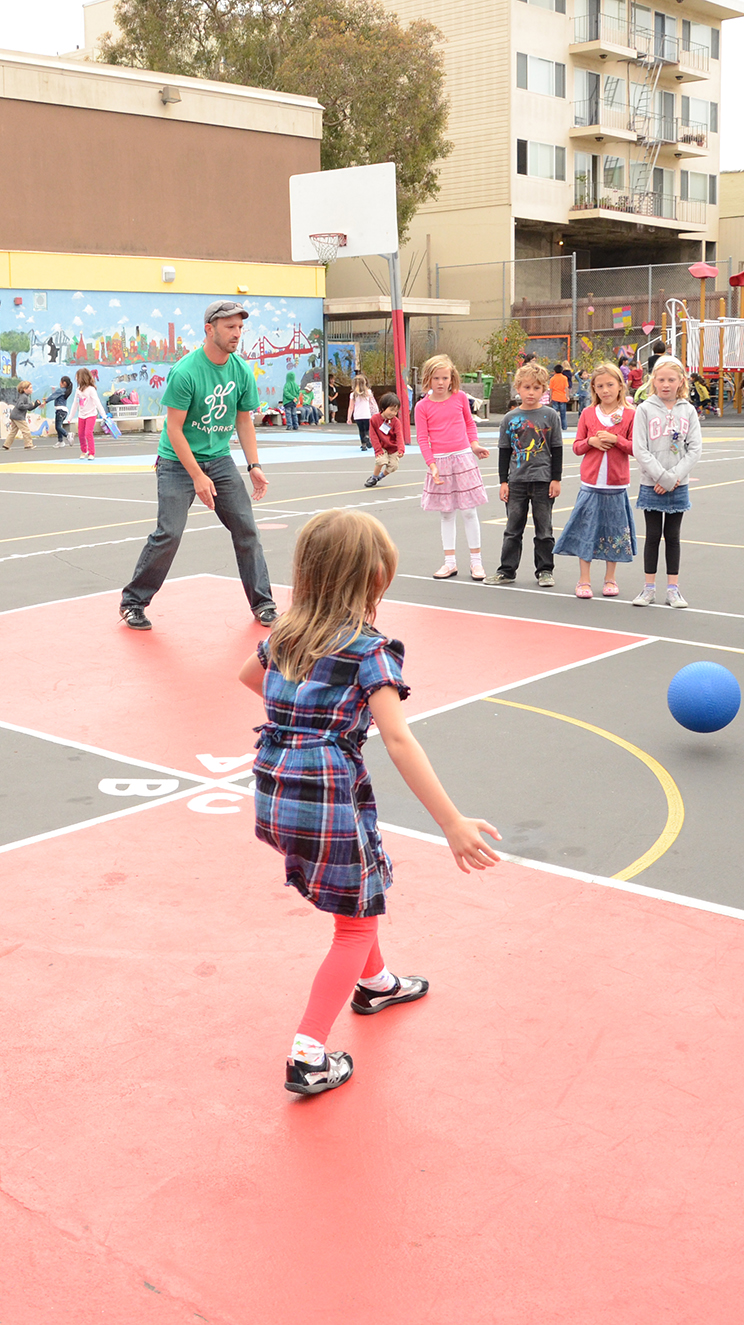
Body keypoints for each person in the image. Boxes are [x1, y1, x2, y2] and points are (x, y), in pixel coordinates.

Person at [237, 508, 501, 1097]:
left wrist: (298, 718)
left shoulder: (284, 634)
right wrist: (451, 822)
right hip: (327, 794)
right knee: (353, 924)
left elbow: (248, 679)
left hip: (276, 787)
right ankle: (307, 1054)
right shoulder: (370, 650)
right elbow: (401, 742)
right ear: (374, 577)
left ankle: (377, 983)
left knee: (360, 892)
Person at [119, 300, 275, 629]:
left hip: (218, 459)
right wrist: (197, 476)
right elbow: (173, 429)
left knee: (247, 530)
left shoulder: (241, 370)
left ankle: (263, 603)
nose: (237, 334)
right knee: (169, 534)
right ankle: (133, 601)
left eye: (240, 328)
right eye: (230, 327)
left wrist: (253, 465)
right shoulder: (186, 371)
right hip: (178, 462)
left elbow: (243, 421)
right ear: (210, 329)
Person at [557, 362, 635, 599]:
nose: (605, 390)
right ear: (593, 388)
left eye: (610, 384)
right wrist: (591, 442)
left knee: (614, 532)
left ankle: (610, 578)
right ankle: (584, 579)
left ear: (620, 386)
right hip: (590, 485)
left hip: (616, 486)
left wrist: (616, 439)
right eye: (599, 386)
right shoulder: (588, 414)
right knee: (586, 530)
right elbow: (577, 446)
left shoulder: (631, 415)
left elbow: (636, 448)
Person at [631, 356, 701, 608]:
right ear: (653, 381)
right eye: (661, 379)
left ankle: (673, 589)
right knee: (652, 536)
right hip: (652, 483)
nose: (666, 384)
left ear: (681, 381)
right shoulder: (644, 409)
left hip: (677, 484)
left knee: (672, 536)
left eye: (671, 380)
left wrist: (673, 478)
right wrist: (661, 477)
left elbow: (694, 449)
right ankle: (648, 587)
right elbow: (640, 449)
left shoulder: (688, 410)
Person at [413, 353, 489, 582]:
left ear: (451, 378)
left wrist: (474, 446)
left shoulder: (460, 398)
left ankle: (477, 563)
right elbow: (422, 438)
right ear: (428, 379)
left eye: (445, 378)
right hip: (440, 462)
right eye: (436, 378)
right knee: (446, 514)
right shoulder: (422, 406)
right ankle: (449, 563)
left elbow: (469, 423)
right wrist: (432, 464)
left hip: (463, 458)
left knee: (468, 511)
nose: (440, 382)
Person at [492, 361, 562, 588]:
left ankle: (545, 570)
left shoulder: (550, 415)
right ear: (518, 388)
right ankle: (507, 570)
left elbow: (558, 448)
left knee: (544, 529)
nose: (531, 393)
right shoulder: (509, 419)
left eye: (536, 388)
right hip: (517, 481)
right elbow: (504, 451)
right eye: (527, 388)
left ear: (544, 391)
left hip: (542, 480)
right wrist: (503, 481)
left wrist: (556, 478)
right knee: (513, 529)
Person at [362, 393, 404, 488]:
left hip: (393, 448)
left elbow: (399, 436)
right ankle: (374, 477)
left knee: (393, 466)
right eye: (391, 410)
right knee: (381, 460)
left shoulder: (396, 422)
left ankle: (380, 477)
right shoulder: (375, 419)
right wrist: (378, 450)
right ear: (384, 407)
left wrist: (401, 449)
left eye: (396, 411)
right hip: (381, 446)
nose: (393, 413)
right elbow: (373, 436)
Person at [71, 368, 103, 461]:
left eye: (77, 376)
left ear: (82, 377)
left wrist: (103, 415)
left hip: (91, 414)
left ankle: (91, 452)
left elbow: (97, 402)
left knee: (88, 433)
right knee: (81, 434)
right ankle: (84, 451)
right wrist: (70, 417)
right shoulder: (78, 390)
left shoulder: (91, 389)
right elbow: (75, 403)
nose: (76, 378)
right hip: (82, 414)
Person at [3, 381, 36, 451]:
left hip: (14, 415)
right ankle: (28, 445)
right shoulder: (24, 397)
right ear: (25, 389)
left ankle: (6, 444)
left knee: (13, 431)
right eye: (30, 388)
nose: (32, 389)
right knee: (26, 431)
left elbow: (29, 408)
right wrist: (30, 405)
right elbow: (20, 406)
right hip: (18, 416)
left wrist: (35, 405)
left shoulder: (25, 397)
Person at [349, 374, 377, 450]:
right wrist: (376, 412)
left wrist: (349, 417)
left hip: (357, 415)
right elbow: (372, 403)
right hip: (366, 414)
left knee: (361, 430)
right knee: (367, 429)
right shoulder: (368, 392)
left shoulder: (353, 394)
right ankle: (367, 437)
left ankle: (363, 445)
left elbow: (351, 407)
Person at [47, 375, 73, 449]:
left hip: (60, 411)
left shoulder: (61, 390)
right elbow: (55, 396)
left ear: (64, 383)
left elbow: (53, 396)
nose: (59, 383)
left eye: (60, 381)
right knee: (58, 426)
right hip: (63, 411)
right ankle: (60, 441)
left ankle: (67, 435)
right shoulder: (65, 391)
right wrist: (47, 398)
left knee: (58, 427)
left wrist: (46, 401)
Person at [548, 363, 572, 428]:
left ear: (554, 371)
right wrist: (567, 396)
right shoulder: (564, 378)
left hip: (555, 397)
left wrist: (550, 397)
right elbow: (566, 388)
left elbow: (551, 389)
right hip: (562, 397)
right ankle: (564, 427)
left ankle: (554, 427)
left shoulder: (552, 379)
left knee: (554, 414)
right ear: (562, 371)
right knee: (563, 414)